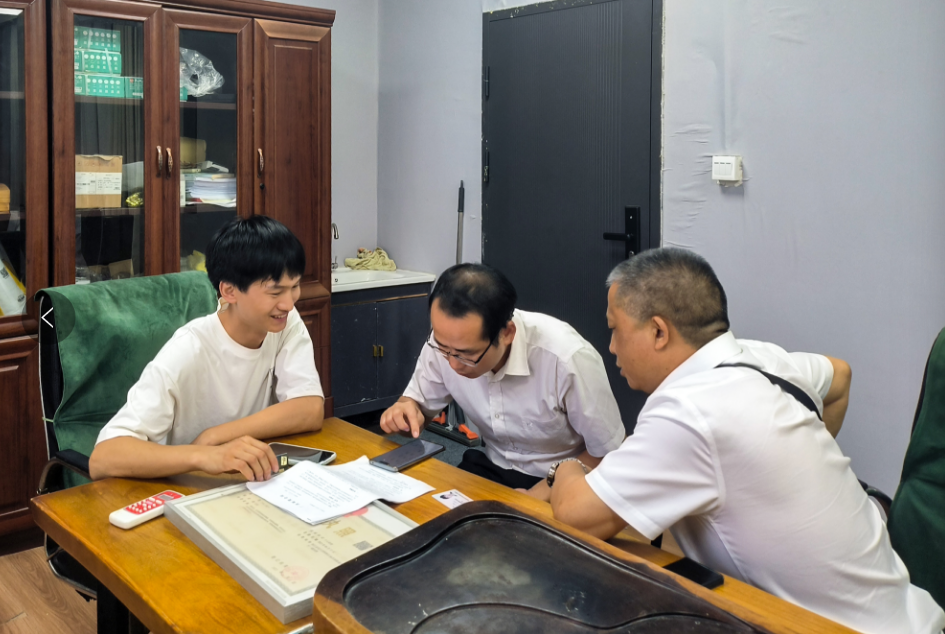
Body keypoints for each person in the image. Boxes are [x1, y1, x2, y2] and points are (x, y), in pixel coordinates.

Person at [548, 247, 945, 634]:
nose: (611, 346)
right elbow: (840, 376)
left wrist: (566, 466)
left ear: (658, 331)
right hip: (912, 614)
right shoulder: (762, 358)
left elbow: (575, 515)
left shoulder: (691, 410)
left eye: (615, 329)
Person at [89, 216, 325, 482]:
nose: (289, 304)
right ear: (230, 291)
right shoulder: (188, 349)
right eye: (275, 292)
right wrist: (205, 456)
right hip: (184, 488)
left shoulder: (284, 323)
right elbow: (103, 458)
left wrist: (215, 436)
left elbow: (309, 408)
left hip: (244, 481)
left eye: (295, 287)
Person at [380, 263, 625, 500]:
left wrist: (540, 493)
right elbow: (416, 407)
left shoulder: (566, 358)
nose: (453, 364)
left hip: (562, 480)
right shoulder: (447, 343)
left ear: (507, 333)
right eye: (443, 347)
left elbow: (608, 454)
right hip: (491, 466)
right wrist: (404, 410)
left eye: (467, 354)